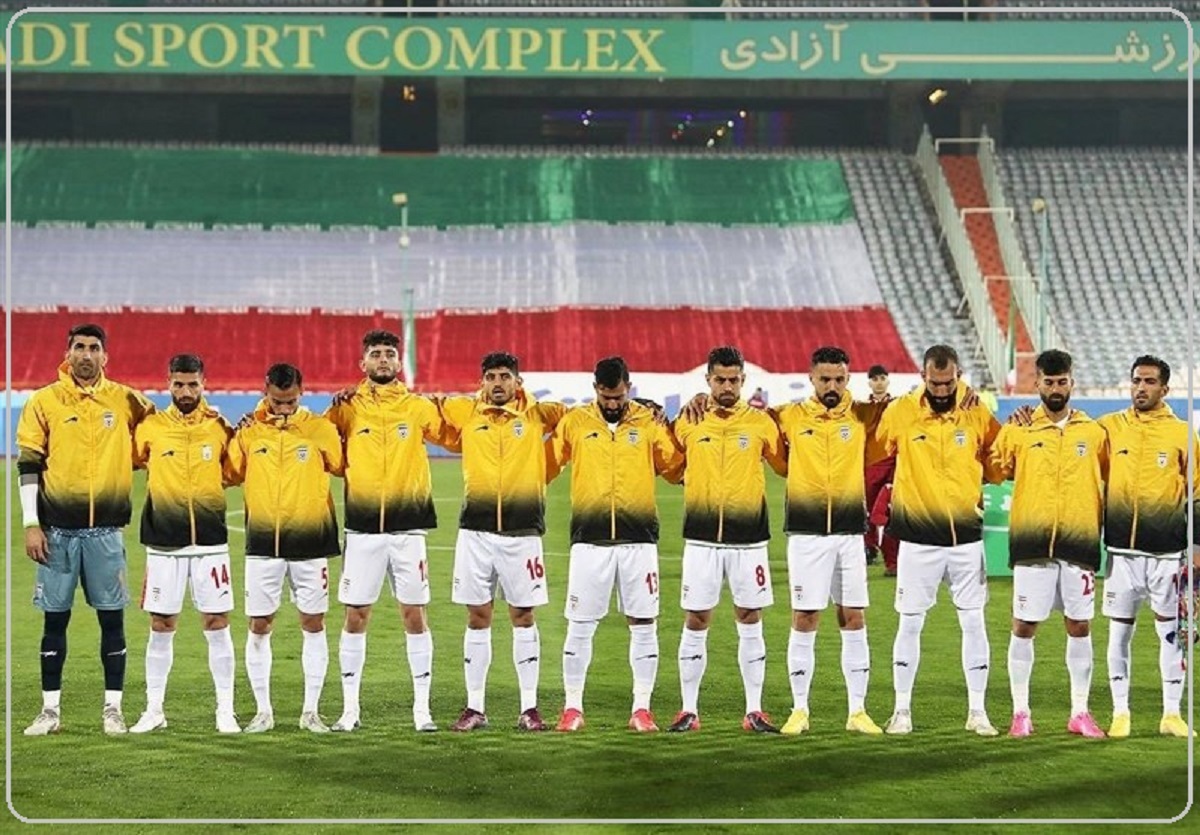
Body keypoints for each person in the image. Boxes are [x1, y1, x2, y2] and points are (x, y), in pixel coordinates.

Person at [19, 323, 154, 736]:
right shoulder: (44, 401)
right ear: (68, 353)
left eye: (94, 348)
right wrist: (31, 523)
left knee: (112, 622)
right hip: (56, 533)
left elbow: (162, 430)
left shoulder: (126, 400)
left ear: (105, 356)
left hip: (106, 534)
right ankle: (50, 711)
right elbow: (29, 464)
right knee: (54, 622)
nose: (86, 354)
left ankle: (113, 710)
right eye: (79, 347)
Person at [325, 330, 455, 733]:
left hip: (408, 529)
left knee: (414, 614)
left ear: (399, 363)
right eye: (376, 354)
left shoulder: (417, 407)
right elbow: (323, 448)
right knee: (355, 616)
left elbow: (456, 437)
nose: (383, 359)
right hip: (362, 529)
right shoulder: (346, 408)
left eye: (389, 354)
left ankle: (422, 711)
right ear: (362, 363)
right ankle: (350, 710)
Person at [545, 357, 684, 733]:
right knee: (580, 624)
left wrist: (671, 425)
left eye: (619, 396)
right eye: (606, 397)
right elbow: (544, 466)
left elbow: (676, 469)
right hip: (589, 540)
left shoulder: (648, 421)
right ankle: (572, 707)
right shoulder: (575, 422)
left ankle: (642, 708)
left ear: (629, 388)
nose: (612, 403)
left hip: (639, 539)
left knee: (643, 623)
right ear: (595, 389)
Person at [878, 344, 1003, 737]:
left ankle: (978, 712)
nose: (943, 390)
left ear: (958, 376)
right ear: (923, 377)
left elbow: (998, 463)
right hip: (917, 539)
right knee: (910, 622)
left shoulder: (977, 411)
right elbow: (876, 451)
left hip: (966, 538)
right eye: (936, 383)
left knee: (974, 621)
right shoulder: (901, 411)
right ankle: (901, 711)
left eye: (949, 383)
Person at [438, 352, 567, 731]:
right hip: (475, 533)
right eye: (491, 377)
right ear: (481, 382)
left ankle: (529, 708)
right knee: (477, 616)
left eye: (505, 376)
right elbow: (421, 408)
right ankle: (474, 707)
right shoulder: (466, 412)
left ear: (518, 381)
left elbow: (585, 417)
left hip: (522, 533)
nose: (498, 383)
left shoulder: (539, 414)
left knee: (523, 616)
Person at [667, 346, 787, 734]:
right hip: (701, 538)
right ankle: (688, 710)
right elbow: (669, 466)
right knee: (696, 618)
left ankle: (754, 710)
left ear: (743, 381)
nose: (727, 387)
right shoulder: (688, 422)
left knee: (750, 618)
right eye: (720, 380)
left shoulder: (761, 423)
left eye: (734, 380)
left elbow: (786, 465)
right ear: (708, 380)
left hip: (748, 539)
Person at [990, 350, 1107, 739]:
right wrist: (1007, 430)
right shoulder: (1020, 429)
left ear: (1072, 382)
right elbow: (994, 470)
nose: (1055, 389)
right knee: (1024, 625)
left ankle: (1080, 712)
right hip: (1032, 543)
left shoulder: (1093, 433)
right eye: (1048, 382)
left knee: (1080, 625)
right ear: (1036, 383)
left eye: (1062, 382)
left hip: (1079, 541)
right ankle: (1020, 712)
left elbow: (1113, 476)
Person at [774, 347, 887, 736]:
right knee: (805, 617)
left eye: (839, 379)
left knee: (853, 616)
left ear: (848, 379)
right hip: (806, 534)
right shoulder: (789, 416)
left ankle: (857, 711)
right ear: (811, 378)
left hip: (850, 533)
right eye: (825, 379)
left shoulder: (862, 416)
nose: (832, 386)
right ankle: (799, 710)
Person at [227, 363, 344, 734]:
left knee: (313, 622)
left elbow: (342, 465)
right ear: (265, 391)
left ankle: (311, 712)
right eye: (277, 401)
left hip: (310, 541)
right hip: (263, 543)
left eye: (290, 401)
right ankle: (263, 712)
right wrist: (237, 431)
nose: (283, 408)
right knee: (259, 624)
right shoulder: (250, 431)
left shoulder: (320, 429)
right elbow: (230, 473)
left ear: (302, 392)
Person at [128, 354, 241, 735]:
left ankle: (226, 710)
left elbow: (233, 472)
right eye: (179, 384)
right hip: (164, 542)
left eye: (193, 384)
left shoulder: (219, 428)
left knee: (217, 622)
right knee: (161, 624)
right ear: (168, 384)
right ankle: (154, 710)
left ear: (204, 384)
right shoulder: (151, 428)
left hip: (210, 542)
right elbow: (132, 459)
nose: (186, 391)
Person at [1097, 355, 1199, 738]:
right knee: (1118, 633)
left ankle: (1171, 714)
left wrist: (1197, 549)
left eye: (1150, 381)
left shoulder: (1182, 434)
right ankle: (1120, 712)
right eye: (1136, 380)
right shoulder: (1110, 428)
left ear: (1165, 388)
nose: (1141, 387)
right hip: (1122, 554)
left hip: (1167, 554)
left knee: (1170, 633)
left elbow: (1197, 495)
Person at [863, 364, 899, 576]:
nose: (879, 383)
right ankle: (868, 548)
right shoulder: (862, 409)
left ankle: (892, 562)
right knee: (868, 511)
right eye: (875, 379)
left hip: (892, 464)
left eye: (882, 378)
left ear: (888, 380)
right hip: (868, 467)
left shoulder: (898, 406)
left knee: (889, 512)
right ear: (869, 382)